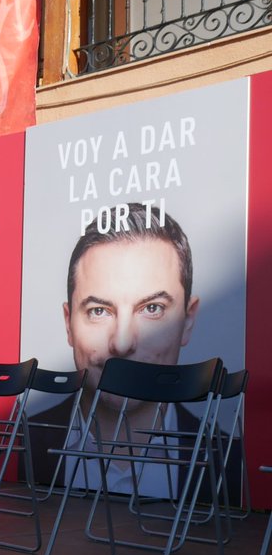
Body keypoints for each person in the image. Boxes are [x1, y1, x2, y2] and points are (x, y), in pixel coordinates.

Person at [28, 202, 204, 496]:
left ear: (187, 321)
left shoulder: (230, 459)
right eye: (99, 311)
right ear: (68, 324)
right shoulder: (22, 445)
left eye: (152, 308)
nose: (122, 344)